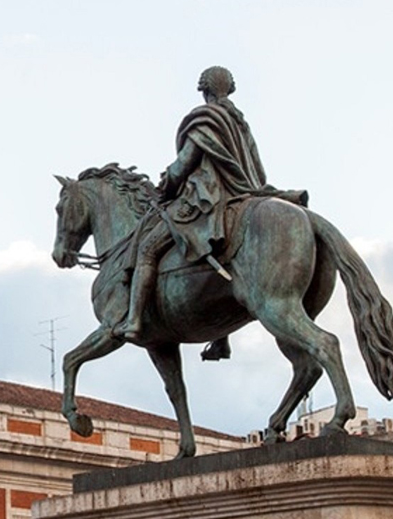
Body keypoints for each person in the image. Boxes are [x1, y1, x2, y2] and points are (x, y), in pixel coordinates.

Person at [112, 66, 275, 358]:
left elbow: (186, 162)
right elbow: (257, 169)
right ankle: (221, 337)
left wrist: (166, 182)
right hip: (243, 192)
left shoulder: (205, 119)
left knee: (148, 248)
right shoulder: (239, 122)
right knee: (225, 259)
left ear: (204, 90)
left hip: (208, 197)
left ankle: (134, 320)